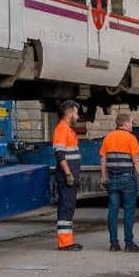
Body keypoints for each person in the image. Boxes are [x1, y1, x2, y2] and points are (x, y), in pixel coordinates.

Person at [99, 112, 139, 252]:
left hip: (112, 179)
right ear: (125, 123)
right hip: (127, 179)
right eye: (131, 122)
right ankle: (129, 243)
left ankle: (113, 244)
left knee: (113, 210)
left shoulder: (108, 137)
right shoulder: (131, 138)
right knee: (129, 211)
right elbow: (136, 161)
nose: (132, 125)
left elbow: (103, 159)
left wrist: (103, 177)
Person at [52, 101, 83, 251]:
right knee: (65, 208)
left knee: (69, 208)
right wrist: (69, 174)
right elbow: (60, 155)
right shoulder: (61, 130)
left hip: (71, 176)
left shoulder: (68, 130)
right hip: (67, 177)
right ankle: (64, 243)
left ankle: (68, 241)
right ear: (69, 113)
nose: (77, 116)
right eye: (76, 113)